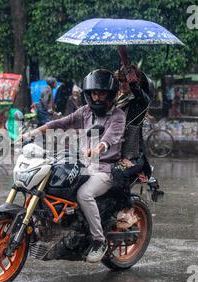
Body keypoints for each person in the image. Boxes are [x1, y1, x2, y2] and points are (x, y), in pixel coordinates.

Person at [23, 69, 125, 263]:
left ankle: (99, 240)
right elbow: (62, 122)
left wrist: (97, 149)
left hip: (104, 168)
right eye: (93, 93)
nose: (96, 97)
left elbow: (110, 138)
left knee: (83, 194)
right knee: (50, 177)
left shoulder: (118, 116)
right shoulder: (86, 111)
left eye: (101, 93)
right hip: (83, 162)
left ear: (110, 94)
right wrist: (32, 133)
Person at [113, 65, 154, 229]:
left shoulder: (140, 102)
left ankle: (128, 209)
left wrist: (134, 84)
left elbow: (142, 97)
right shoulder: (114, 100)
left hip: (132, 156)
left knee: (117, 172)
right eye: (120, 80)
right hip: (108, 152)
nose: (123, 84)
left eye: (127, 81)